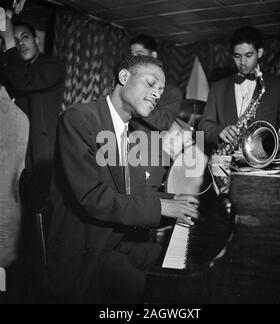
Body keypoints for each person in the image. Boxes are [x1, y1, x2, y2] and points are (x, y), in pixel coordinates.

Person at [47, 54, 199, 303]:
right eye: (151, 84)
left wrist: (177, 199)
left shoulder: (136, 132)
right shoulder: (79, 119)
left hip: (117, 241)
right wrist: (163, 206)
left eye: (160, 90)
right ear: (124, 77)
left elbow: (134, 194)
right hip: (86, 248)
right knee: (148, 290)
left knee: (185, 266)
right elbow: (93, 198)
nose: (157, 94)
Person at [0, 11, 66, 212]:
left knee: (36, 211)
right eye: (16, 39)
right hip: (13, 154)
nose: (20, 43)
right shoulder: (10, 70)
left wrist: (9, 37)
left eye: (25, 37)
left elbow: (23, 80)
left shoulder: (52, 66)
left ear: (37, 40)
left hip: (39, 155)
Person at [199, 27, 280, 152]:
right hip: (226, 161)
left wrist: (271, 144)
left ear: (260, 53)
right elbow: (203, 126)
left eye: (248, 55)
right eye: (237, 56)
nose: (242, 62)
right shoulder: (217, 87)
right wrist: (219, 131)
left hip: (263, 164)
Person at [129, 34, 183, 191]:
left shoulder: (171, 91)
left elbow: (163, 122)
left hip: (149, 160)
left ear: (153, 56)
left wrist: (134, 103)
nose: (133, 60)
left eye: (138, 55)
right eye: (131, 56)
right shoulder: (129, 86)